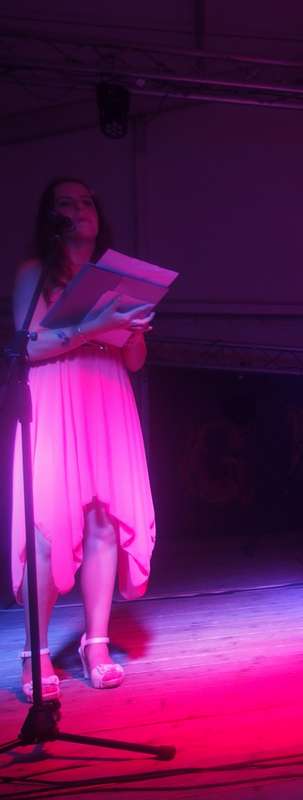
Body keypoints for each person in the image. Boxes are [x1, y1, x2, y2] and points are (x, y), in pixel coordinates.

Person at [11, 178, 156, 700]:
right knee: (48, 527)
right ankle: (36, 651)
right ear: (51, 217)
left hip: (106, 393)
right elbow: (27, 346)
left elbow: (134, 361)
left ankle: (96, 643)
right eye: (66, 203)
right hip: (56, 394)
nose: (79, 208)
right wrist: (91, 327)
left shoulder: (114, 278)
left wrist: (133, 330)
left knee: (103, 521)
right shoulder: (35, 273)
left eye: (87, 201)